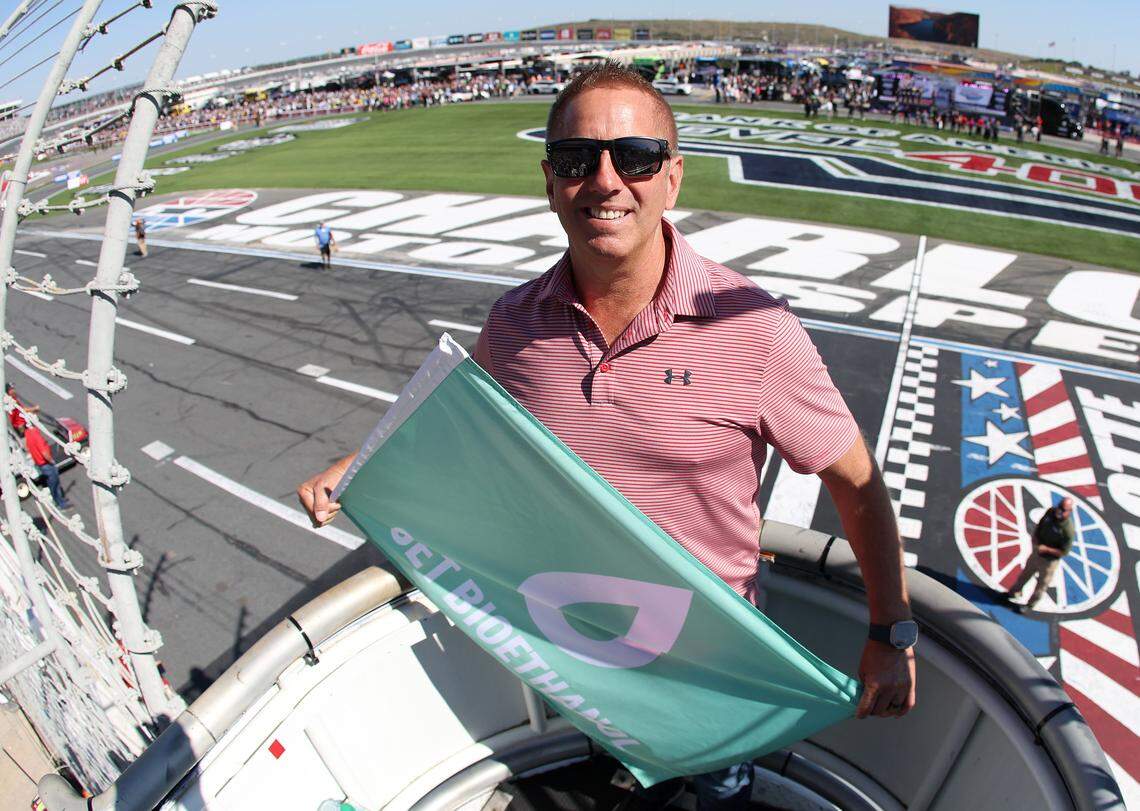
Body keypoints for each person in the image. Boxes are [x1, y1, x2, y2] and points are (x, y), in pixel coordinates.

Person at [297, 63, 916, 809]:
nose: (605, 180)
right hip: (581, 661)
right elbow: (450, 413)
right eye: (575, 159)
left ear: (673, 178)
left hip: (714, 675)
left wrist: (892, 629)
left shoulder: (756, 330)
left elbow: (855, 482)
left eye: (635, 157)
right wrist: (358, 460)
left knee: (720, 798)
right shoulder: (516, 323)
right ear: (549, 180)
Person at [1006, 498, 1075, 611]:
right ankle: (1014, 592)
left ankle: (1030, 605)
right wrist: (1035, 537)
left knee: (1042, 584)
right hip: (1037, 553)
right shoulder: (1050, 512)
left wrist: (1046, 549)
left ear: (1069, 511)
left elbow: (1064, 552)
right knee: (1025, 573)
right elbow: (1041, 524)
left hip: (1049, 561)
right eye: (1059, 507)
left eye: (1063, 510)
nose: (1059, 511)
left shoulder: (1067, 530)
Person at [18, 423, 72, 510]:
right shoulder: (36, 435)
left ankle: (60, 500)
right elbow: (44, 452)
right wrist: (51, 460)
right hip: (46, 464)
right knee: (54, 483)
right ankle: (61, 503)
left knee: (52, 483)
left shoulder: (28, 433)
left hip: (39, 464)